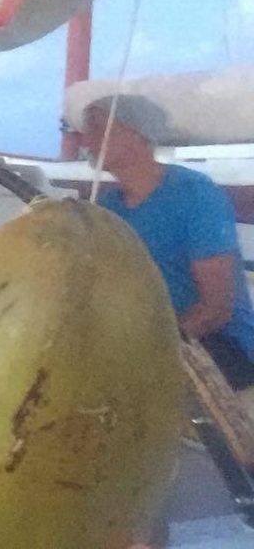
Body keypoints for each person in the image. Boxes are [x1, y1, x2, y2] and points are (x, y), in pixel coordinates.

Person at [81, 95, 254, 391]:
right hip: (146, 343)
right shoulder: (109, 208)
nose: (88, 139)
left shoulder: (195, 195)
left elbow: (216, 308)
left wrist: (147, 354)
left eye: (98, 127)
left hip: (219, 346)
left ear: (138, 135)